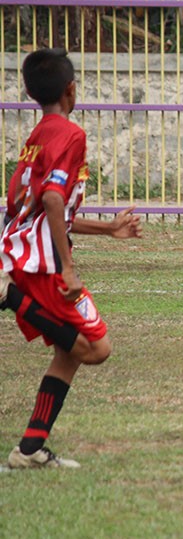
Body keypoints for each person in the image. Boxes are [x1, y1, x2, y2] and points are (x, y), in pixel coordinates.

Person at [2, 47, 143, 470]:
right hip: (39, 265)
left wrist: (108, 229)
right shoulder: (70, 134)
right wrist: (67, 266)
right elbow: (50, 198)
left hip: (22, 251)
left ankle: (29, 450)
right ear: (71, 89)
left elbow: (43, 210)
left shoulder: (38, 136)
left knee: (69, 353)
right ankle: (8, 296)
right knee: (96, 348)